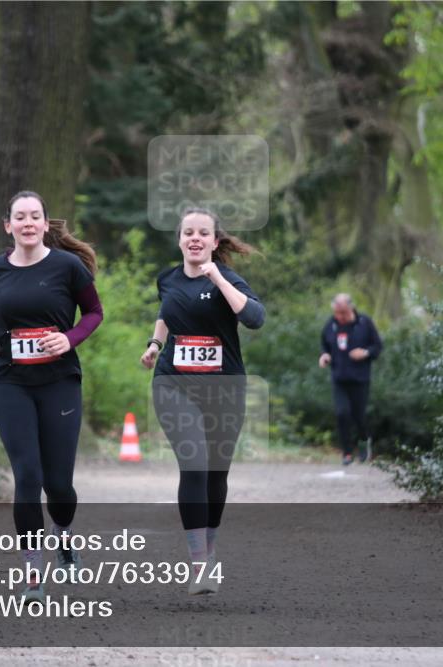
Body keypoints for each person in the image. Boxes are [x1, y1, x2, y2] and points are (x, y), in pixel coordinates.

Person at [0, 190, 103, 604]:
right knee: (27, 476)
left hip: (59, 381)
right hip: (8, 381)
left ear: (46, 224)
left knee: (58, 485)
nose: (28, 223)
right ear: (8, 226)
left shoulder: (68, 267)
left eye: (35, 216)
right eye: (19, 217)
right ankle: (32, 574)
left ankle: (63, 535)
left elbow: (94, 313)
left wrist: (70, 338)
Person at [140, 207, 265, 595]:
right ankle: (198, 566)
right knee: (193, 466)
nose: (195, 238)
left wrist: (216, 277)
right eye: (188, 232)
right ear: (179, 239)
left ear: (214, 241)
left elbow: (255, 318)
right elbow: (167, 311)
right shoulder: (167, 279)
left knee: (216, 474)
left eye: (203, 233)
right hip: (174, 385)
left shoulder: (229, 278)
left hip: (224, 389)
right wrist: (155, 343)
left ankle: (209, 552)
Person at [317, 293, 383, 465]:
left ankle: (363, 442)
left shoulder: (364, 323)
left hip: (360, 379)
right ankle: (346, 452)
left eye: (343, 313)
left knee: (358, 416)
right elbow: (324, 344)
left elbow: (377, 346)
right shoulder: (331, 325)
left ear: (351, 308)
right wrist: (324, 355)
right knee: (342, 413)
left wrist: (365, 353)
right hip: (339, 378)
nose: (340, 317)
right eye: (337, 313)